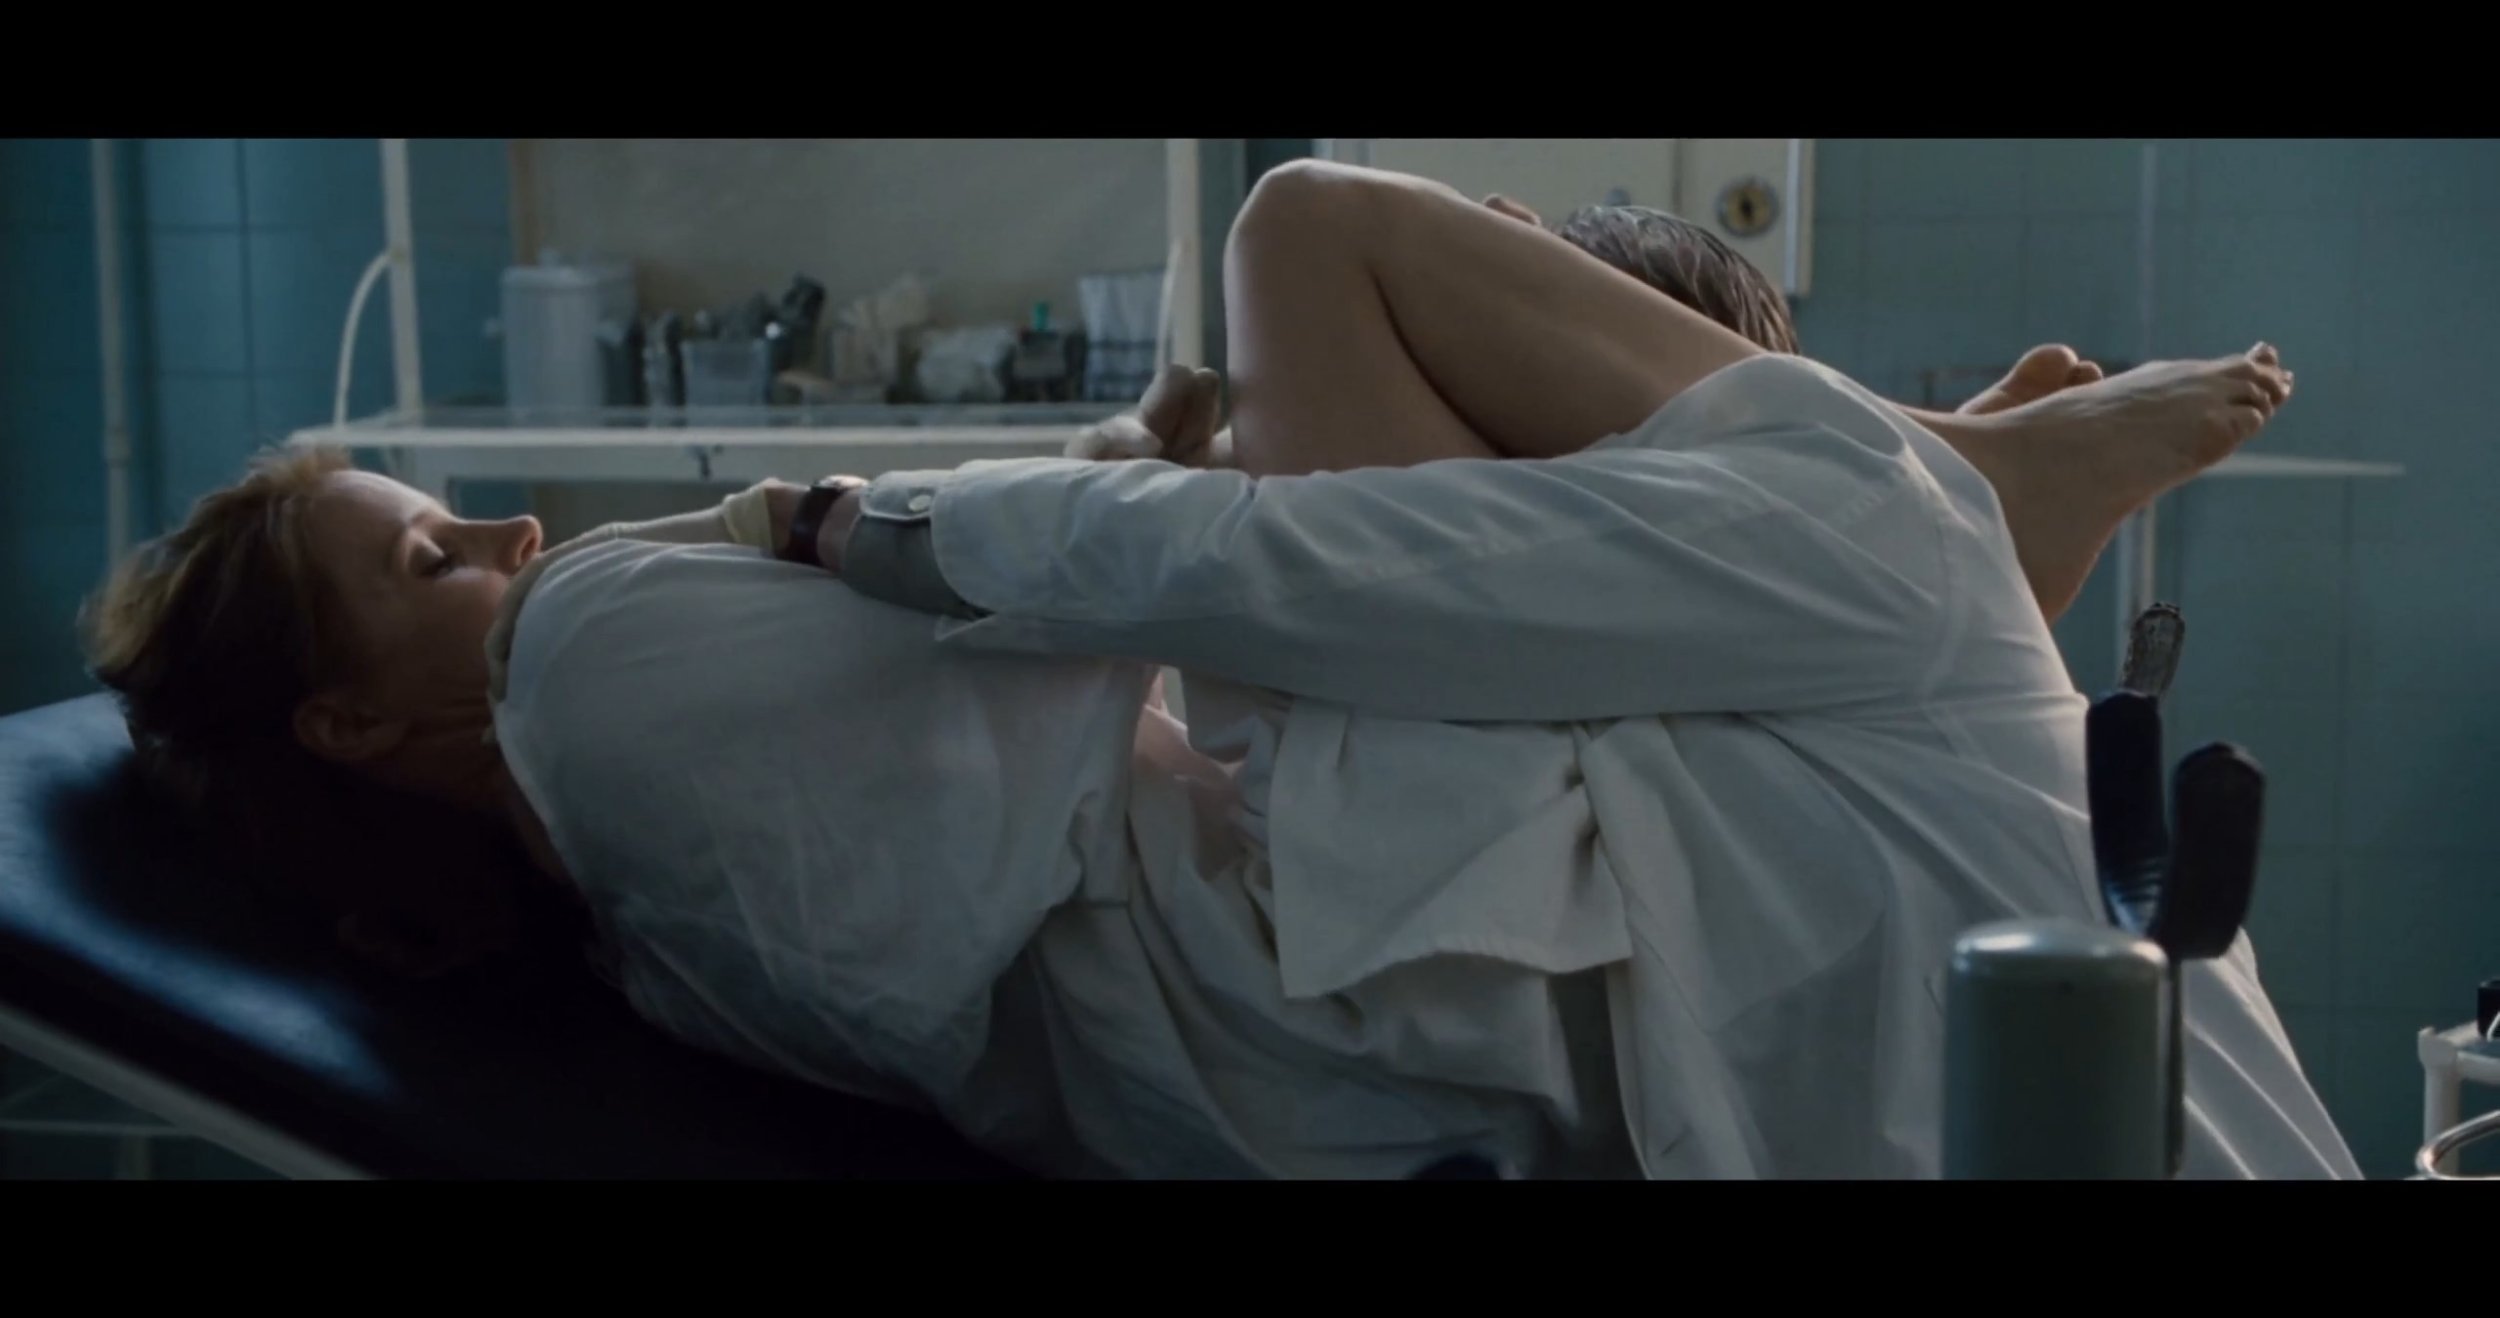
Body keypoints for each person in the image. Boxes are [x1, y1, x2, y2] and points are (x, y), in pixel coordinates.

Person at [84, 160, 2342, 1177]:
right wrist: (860, 517)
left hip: (1291, 967)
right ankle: (1929, 488)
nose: (506, 534)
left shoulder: (640, 916)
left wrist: (1113, 475)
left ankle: (1930, 495)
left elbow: (970, 633)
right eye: (424, 553)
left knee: (1588, 538)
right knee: (1314, 230)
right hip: (1310, 921)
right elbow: (1024, 594)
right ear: (346, 718)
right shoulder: (582, 666)